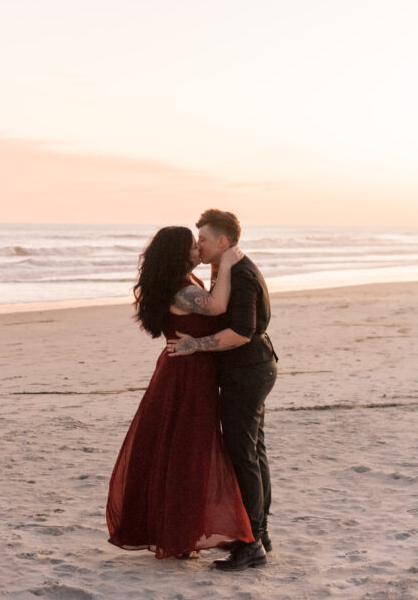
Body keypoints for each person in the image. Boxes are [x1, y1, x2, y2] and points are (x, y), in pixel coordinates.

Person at [106, 226, 254, 560]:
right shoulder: (181, 290)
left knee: (184, 451)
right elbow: (216, 308)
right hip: (184, 375)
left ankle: (180, 533)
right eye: (192, 246)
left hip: (191, 371)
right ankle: (177, 535)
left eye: (199, 243)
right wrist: (227, 263)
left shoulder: (187, 282)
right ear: (178, 253)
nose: (197, 249)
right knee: (186, 453)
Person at [167, 209, 278, 571]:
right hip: (248, 369)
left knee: (242, 453)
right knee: (252, 449)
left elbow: (242, 331)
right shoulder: (226, 268)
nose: (197, 245)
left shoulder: (241, 274)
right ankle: (258, 535)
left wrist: (194, 346)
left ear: (223, 242)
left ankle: (252, 544)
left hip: (248, 370)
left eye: (202, 239)